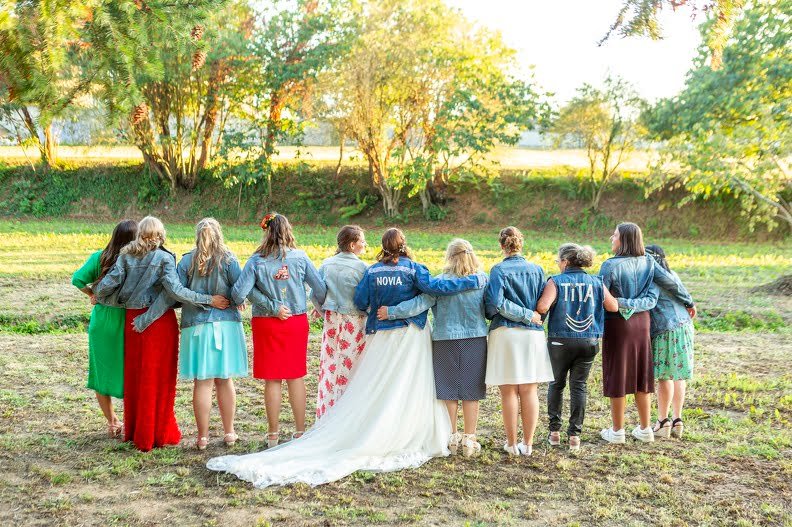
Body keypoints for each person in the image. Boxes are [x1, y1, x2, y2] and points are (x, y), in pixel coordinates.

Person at [206, 227, 484, 488]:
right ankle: (408, 428)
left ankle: (354, 423)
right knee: (410, 383)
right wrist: (471, 281)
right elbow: (430, 294)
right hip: (411, 334)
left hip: (380, 334)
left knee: (376, 381)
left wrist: (378, 308)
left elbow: (359, 300)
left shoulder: (371, 270)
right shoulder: (415, 269)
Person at [93, 216, 230, 451]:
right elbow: (176, 291)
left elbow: (103, 289)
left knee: (136, 378)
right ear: (161, 234)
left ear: (139, 234)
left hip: (132, 322)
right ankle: (157, 433)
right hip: (159, 326)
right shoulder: (165, 258)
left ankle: (137, 433)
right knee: (159, 379)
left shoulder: (125, 256)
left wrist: (122, 302)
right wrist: (209, 300)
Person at [133, 218, 249, 450]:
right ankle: (229, 432)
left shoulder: (186, 261)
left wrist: (146, 318)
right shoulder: (228, 259)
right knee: (225, 379)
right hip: (225, 326)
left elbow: (172, 294)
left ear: (197, 236)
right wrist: (238, 301)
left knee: (202, 382)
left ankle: (202, 437)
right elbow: (240, 289)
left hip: (195, 328)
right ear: (219, 234)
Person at [378, 238, 489, 457]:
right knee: (470, 390)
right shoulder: (482, 280)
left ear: (449, 257)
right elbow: (490, 307)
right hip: (474, 338)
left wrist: (391, 312)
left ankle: (452, 435)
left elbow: (418, 304)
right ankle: (469, 438)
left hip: (444, 339)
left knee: (448, 390)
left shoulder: (439, 283)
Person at [231, 213, 327, 447]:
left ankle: (272, 434)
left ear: (267, 232)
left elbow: (237, 294)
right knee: (296, 376)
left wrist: (270, 305)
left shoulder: (256, 261)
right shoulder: (301, 258)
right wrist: (312, 303)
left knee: (272, 379)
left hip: (266, 323)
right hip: (295, 321)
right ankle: (300, 432)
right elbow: (321, 289)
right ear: (288, 231)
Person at [513, 243, 620, 452]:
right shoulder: (596, 282)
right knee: (579, 386)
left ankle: (554, 432)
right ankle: (575, 436)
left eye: (558, 261)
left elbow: (543, 306)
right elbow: (613, 306)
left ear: (565, 261)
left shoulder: (557, 281)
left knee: (557, 384)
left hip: (560, 340)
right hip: (588, 340)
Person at [598, 223, 694, 445]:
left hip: (618, 324)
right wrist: (689, 301)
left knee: (618, 374)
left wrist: (617, 305)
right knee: (643, 376)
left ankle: (618, 431)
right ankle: (644, 429)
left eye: (615, 235)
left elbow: (599, 297)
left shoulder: (610, 266)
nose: (611, 238)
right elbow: (670, 283)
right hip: (642, 323)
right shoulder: (649, 262)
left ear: (625, 240)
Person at [484, 226, 554, 456]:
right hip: (532, 334)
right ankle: (529, 444)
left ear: (501, 245)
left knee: (508, 392)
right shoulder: (537, 269)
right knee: (529, 390)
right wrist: (532, 316)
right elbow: (543, 303)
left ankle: (512, 444)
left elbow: (495, 304)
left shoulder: (498, 271)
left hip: (506, 333)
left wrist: (524, 314)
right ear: (520, 244)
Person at [71, 219, 138, 438]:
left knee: (101, 372)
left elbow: (77, 279)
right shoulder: (136, 259)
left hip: (102, 320)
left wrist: (91, 293)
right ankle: (131, 421)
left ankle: (112, 421)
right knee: (131, 371)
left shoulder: (100, 257)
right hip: (126, 318)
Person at [311, 225, 369, 420]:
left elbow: (315, 293)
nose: (365, 244)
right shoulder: (362, 268)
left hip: (332, 319)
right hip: (355, 321)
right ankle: (349, 415)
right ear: (352, 245)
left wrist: (323, 310)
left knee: (330, 366)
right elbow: (365, 298)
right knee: (352, 366)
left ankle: (327, 412)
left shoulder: (326, 264)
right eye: (362, 241)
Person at [645, 244, 697, 439]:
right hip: (684, 325)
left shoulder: (653, 280)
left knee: (664, 376)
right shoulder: (672, 273)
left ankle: (662, 421)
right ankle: (677, 419)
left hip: (666, 328)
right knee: (678, 374)